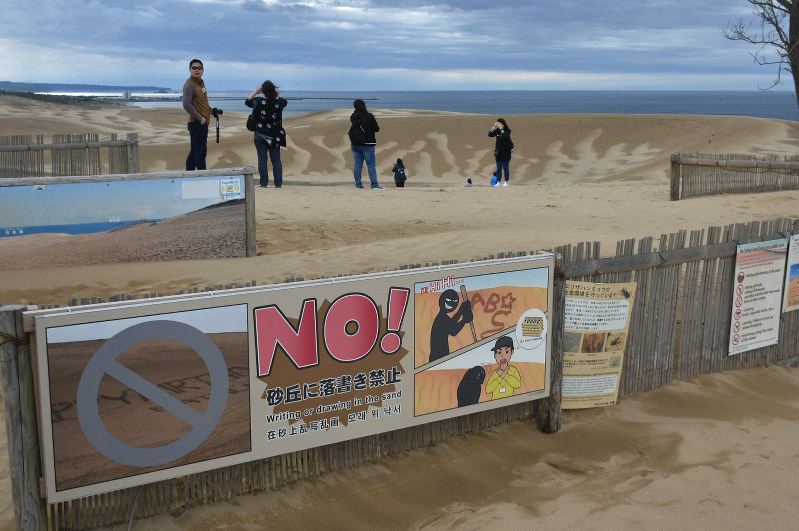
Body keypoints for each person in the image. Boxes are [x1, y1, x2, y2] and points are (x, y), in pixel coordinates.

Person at [245, 80, 288, 188]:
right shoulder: (278, 102)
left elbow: (247, 102)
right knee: (276, 160)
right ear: (273, 90)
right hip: (275, 135)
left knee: (262, 160)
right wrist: (275, 93)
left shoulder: (257, 101)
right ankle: (278, 184)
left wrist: (256, 92)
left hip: (260, 134)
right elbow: (284, 101)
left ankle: (263, 183)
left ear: (262, 91)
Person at [183, 59, 211, 171]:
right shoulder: (190, 85)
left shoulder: (201, 82)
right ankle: (202, 176)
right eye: (194, 68)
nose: (197, 70)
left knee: (195, 151)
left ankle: (189, 175)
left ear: (203, 70)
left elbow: (202, 102)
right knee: (200, 152)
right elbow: (186, 104)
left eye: (199, 68)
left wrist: (211, 110)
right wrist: (200, 119)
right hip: (197, 123)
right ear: (190, 70)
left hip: (202, 123)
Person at [349, 99, 383, 190]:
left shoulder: (353, 116)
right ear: (363, 105)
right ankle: (374, 185)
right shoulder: (368, 116)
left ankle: (358, 185)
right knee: (371, 165)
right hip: (367, 145)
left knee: (357, 165)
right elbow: (376, 128)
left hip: (355, 144)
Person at [485, 335, 521, 400]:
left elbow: (517, 384)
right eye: (499, 352)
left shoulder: (513, 370)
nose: (502, 355)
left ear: (512, 352)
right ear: (495, 355)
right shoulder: (496, 373)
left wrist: (505, 375)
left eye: (506, 351)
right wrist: (500, 376)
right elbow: (488, 390)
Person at [488, 118, 513, 186]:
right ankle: (498, 182)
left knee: (505, 167)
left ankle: (506, 182)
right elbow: (490, 134)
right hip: (499, 152)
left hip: (506, 152)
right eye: (497, 123)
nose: (498, 124)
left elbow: (505, 136)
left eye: (499, 123)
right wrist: (493, 127)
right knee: (498, 168)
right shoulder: (497, 131)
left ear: (502, 123)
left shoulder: (508, 130)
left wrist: (502, 129)